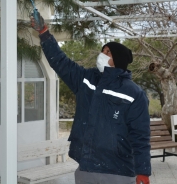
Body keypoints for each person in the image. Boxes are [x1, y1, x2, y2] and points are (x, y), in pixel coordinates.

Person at [31, 16, 151, 184]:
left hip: (119, 172)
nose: (102, 54)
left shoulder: (134, 93)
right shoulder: (87, 79)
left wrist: (143, 171)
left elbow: (141, 135)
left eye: (108, 52)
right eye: (102, 50)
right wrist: (44, 33)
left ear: (118, 59)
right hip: (86, 168)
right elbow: (61, 63)